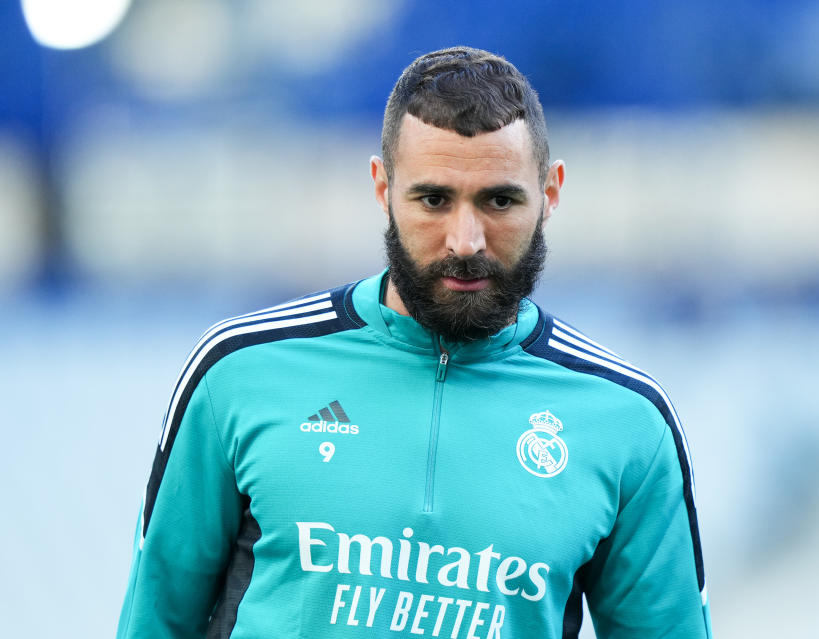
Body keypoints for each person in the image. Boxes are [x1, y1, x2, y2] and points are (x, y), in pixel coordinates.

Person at [117, 46, 712, 639]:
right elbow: (156, 620)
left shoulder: (628, 422)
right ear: (382, 187)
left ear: (550, 194)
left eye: (499, 200)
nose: (466, 240)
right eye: (433, 199)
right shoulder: (239, 372)